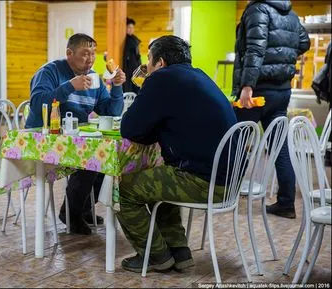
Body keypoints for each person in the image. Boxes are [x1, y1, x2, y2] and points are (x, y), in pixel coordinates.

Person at [118, 35, 238, 273]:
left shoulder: (161, 80)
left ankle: (156, 256)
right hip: (229, 181)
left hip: (206, 183)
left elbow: (129, 128)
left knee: (128, 188)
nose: (147, 69)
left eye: (148, 64)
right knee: (163, 176)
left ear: (160, 63)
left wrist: (145, 83)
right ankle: (179, 252)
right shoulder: (199, 76)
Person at [25, 33, 126, 234]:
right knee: (91, 159)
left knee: (106, 160)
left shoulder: (95, 78)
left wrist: (116, 87)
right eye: (84, 53)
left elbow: (112, 112)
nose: (90, 59)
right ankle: (71, 214)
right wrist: (70, 86)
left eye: (93, 53)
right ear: (69, 53)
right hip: (43, 141)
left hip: (73, 141)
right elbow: (37, 105)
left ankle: (83, 208)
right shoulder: (50, 72)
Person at [232, 0, 310, 219]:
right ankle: (286, 203)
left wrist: (247, 85)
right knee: (279, 147)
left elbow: (255, 48)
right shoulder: (291, 14)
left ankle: (224, 193)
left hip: (258, 89)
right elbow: (304, 42)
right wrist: (282, 52)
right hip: (282, 90)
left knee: (234, 140)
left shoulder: (258, 9)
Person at [122, 17, 142, 94]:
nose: (131, 29)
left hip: (135, 67)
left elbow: (137, 55)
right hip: (128, 69)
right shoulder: (126, 40)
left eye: (132, 27)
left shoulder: (134, 40)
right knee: (128, 89)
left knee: (136, 88)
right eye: (129, 27)